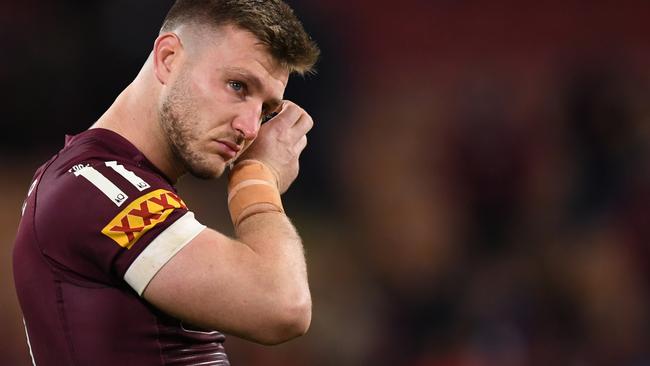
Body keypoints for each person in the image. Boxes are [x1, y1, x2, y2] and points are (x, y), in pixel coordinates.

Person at [12, 0, 320, 364]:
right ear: (168, 57)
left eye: (266, 111)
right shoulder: (93, 187)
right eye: (237, 86)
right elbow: (282, 305)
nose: (250, 129)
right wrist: (258, 179)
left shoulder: (113, 182)